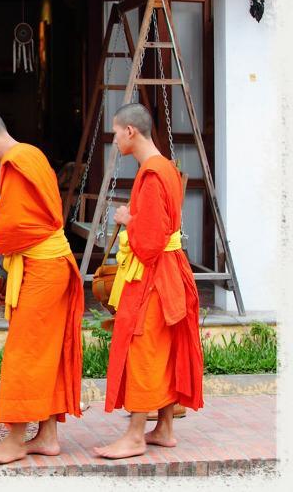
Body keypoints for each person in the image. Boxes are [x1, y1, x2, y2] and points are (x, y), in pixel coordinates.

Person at [0, 108, 84, 464]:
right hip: (48, 263)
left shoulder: (14, 161)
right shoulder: (32, 155)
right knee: (45, 350)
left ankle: (16, 438)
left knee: (25, 350)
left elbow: (14, 224)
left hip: (45, 268)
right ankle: (46, 435)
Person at [93, 103, 203, 459]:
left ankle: (136, 435)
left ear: (131, 132)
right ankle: (165, 428)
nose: (114, 139)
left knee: (143, 348)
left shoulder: (153, 172)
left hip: (156, 275)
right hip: (172, 270)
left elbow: (153, 240)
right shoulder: (166, 167)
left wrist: (127, 219)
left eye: (115, 132)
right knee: (163, 348)